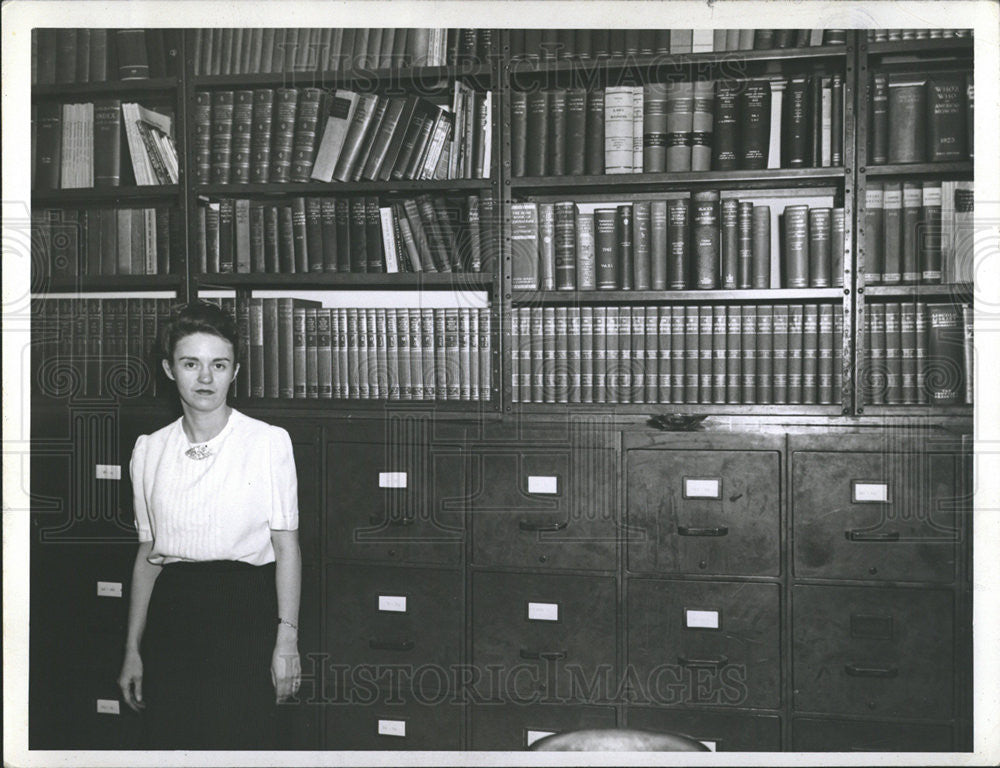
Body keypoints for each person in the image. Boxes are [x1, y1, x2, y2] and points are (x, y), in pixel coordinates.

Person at [117, 301, 301, 750]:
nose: (205, 378)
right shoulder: (150, 450)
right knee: (171, 744)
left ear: (234, 371)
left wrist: (286, 644)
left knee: (240, 745)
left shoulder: (266, 443)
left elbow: (288, 550)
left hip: (244, 613)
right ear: (169, 369)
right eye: (190, 363)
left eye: (218, 364)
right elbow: (148, 557)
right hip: (174, 618)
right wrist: (132, 650)